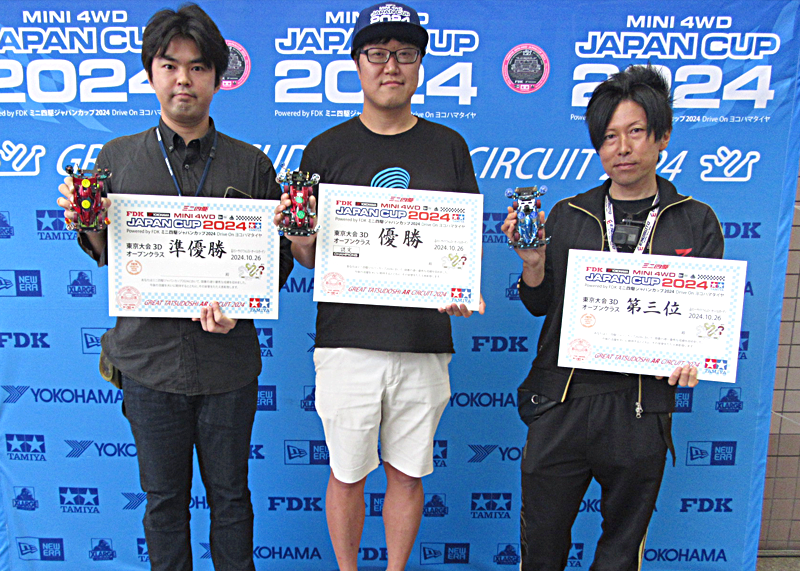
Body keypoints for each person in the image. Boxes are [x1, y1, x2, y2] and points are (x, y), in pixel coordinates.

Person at [56, 4, 293, 570]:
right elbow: (105, 251)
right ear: (151, 74)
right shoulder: (116, 158)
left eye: (197, 67)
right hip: (148, 362)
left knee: (231, 499)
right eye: (170, 66)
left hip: (227, 364)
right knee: (164, 504)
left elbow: (276, 261)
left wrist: (241, 307)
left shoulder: (252, 165)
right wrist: (87, 221)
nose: (183, 79)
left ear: (217, 76)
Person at [275, 3, 483, 570]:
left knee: (408, 474)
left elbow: (461, 243)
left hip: (423, 341)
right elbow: (308, 256)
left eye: (405, 53)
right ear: (357, 63)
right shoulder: (324, 149)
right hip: (348, 341)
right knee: (346, 473)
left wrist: (463, 287)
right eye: (378, 53)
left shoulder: (449, 145)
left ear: (419, 65)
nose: (392, 65)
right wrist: (301, 236)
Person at [502, 65, 724, 571]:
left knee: (621, 552)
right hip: (561, 400)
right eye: (608, 136)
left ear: (662, 137)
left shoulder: (695, 220)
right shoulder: (569, 214)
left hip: (640, 408)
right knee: (541, 546)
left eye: (635, 132)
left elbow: (706, 320)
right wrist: (533, 264)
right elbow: (539, 304)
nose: (621, 148)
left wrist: (696, 356)